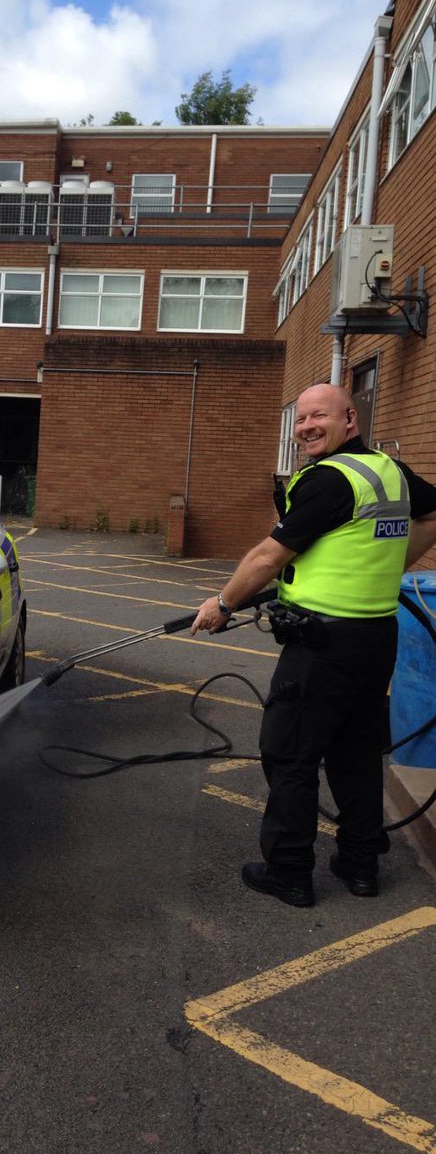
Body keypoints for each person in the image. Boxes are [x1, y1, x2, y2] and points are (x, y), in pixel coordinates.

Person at [191, 383, 436, 907]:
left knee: (290, 754)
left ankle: (289, 872)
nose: (305, 428)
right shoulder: (386, 470)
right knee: (357, 751)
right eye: (300, 419)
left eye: (317, 416)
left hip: (323, 645)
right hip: (375, 637)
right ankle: (361, 864)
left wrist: (223, 603)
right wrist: (386, 569)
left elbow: (267, 557)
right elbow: (433, 514)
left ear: (350, 419)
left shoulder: (329, 480)